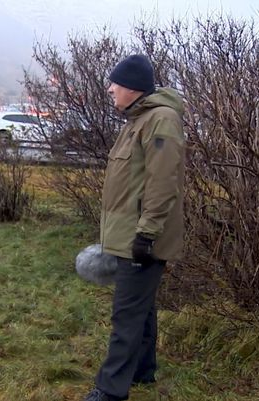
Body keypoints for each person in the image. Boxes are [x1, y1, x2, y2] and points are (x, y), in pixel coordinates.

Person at [83, 55, 185, 401]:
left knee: (126, 315)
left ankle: (111, 391)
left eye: (115, 83)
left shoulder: (160, 120)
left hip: (141, 238)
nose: (110, 89)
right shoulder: (138, 121)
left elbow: (162, 183)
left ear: (132, 88)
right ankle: (142, 371)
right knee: (141, 309)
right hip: (131, 236)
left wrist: (147, 233)